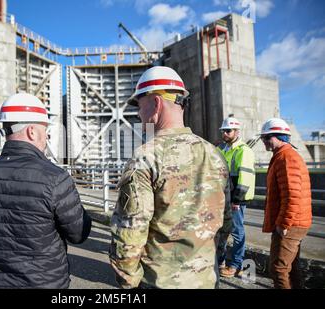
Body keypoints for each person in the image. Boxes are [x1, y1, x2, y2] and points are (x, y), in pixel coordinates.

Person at [109, 66, 230, 289]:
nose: (138, 114)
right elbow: (225, 223)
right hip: (207, 280)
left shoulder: (145, 157)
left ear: (155, 103)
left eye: (139, 105)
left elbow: (130, 234)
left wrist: (129, 284)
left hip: (160, 282)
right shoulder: (216, 155)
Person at [0, 92, 91, 288]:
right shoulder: (55, 178)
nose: (46, 139)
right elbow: (78, 233)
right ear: (32, 131)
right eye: (45, 133)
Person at [260, 118, 312, 289]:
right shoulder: (283, 155)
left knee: (278, 269)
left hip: (290, 224)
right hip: (293, 222)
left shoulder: (287, 158)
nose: (264, 142)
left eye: (266, 138)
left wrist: (283, 223)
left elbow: (292, 195)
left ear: (278, 137)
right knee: (291, 269)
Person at [216, 116, 255, 278]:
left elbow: (245, 177)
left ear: (237, 131)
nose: (225, 133)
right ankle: (220, 261)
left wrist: (237, 200)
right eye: (223, 131)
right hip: (224, 197)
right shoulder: (223, 149)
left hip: (235, 200)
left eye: (228, 131)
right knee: (222, 231)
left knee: (237, 232)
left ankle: (235, 265)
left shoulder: (243, 150)